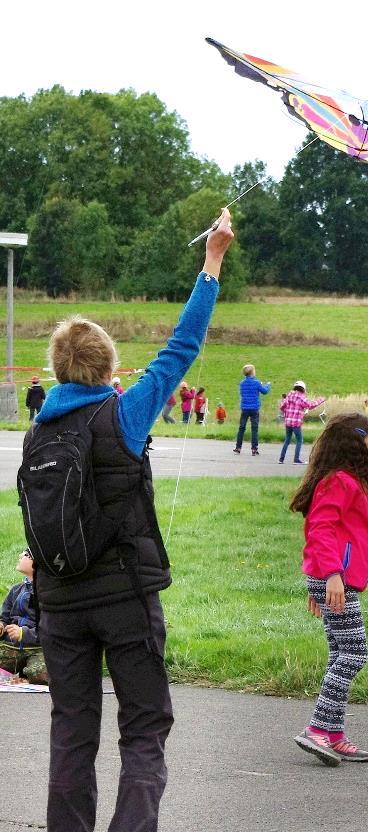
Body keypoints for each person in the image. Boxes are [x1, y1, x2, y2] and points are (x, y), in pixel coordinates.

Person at [27, 209, 234, 831]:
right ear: (112, 369)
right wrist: (213, 262)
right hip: (123, 595)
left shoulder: (41, 429)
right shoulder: (125, 411)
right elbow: (182, 347)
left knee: (72, 734)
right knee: (144, 726)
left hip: (59, 600)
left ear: (59, 371)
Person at [290, 413, 368, 766]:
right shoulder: (339, 481)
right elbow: (321, 530)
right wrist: (329, 576)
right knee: (355, 653)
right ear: (356, 441)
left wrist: (319, 580)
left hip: (331, 578)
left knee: (339, 654)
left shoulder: (346, 480)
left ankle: (334, 734)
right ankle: (317, 728)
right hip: (334, 578)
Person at [0, 549, 47, 684]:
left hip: (38, 649)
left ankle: (26, 674)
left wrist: (23, 633)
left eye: (26, 555)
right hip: (11, 647)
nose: (20, 556)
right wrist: (2, 626)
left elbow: (49, 628)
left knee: (39, 674)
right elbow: (4, 617)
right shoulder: (16, 590)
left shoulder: (46, 593)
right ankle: (17, 673)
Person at [278, 381, 326, 464]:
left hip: (288, 422)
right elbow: (310, 405)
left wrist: (287, 412)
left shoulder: (289, 395)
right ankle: (296, 460)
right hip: (296, 423)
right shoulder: (301, 397)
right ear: (303, 389)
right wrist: (320, 400)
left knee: (287, 440)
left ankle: (281, 459)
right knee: (299, 440)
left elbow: (282, 406)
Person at [234, 364, 271, 455]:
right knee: (254, 429)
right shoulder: (257, 382)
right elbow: (265, 391)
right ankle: (254, 448)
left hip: (245, 408)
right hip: (254, 408)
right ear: (252, 372)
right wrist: (267, 385)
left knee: (241, 428)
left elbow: (242, 393)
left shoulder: (242, 383)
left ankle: (238, 447)